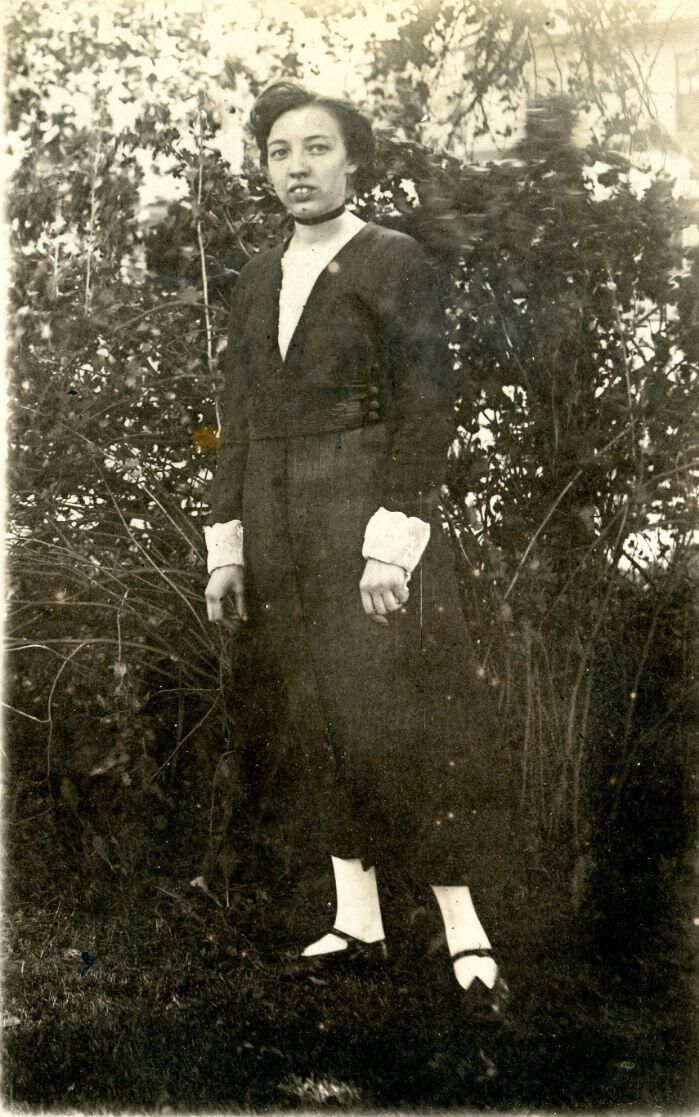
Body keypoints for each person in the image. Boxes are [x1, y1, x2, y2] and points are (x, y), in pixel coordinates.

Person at [203, 79, 514, 1017]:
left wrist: (392, 540)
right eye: (279, 152)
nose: (296, 168)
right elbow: (237, 415)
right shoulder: (257, 277)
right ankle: (358, 921)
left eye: (316, 148)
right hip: (275, 521)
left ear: (352, 160)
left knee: (402, 716)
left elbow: (426, 406)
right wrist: (227, 546)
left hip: (364, 520)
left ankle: (465, 931)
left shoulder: (393, 258)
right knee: (309, 712)